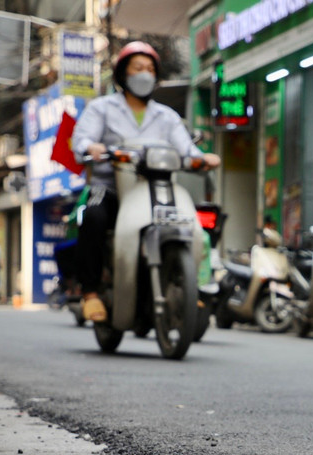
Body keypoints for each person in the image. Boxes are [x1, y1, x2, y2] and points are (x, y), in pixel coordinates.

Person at [71, 41, 220, 324]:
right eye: (138, 67)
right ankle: (90, 292)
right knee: (93, 216)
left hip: (158, 190)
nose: (145, 73)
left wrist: (204, 159)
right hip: (113, 187)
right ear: (123, 74)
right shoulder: (101, 108)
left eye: (150, 69)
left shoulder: (167, 116)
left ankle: (187, 284)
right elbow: (81, 141)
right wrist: (92, 148)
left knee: (195, 227)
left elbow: (188, 151)